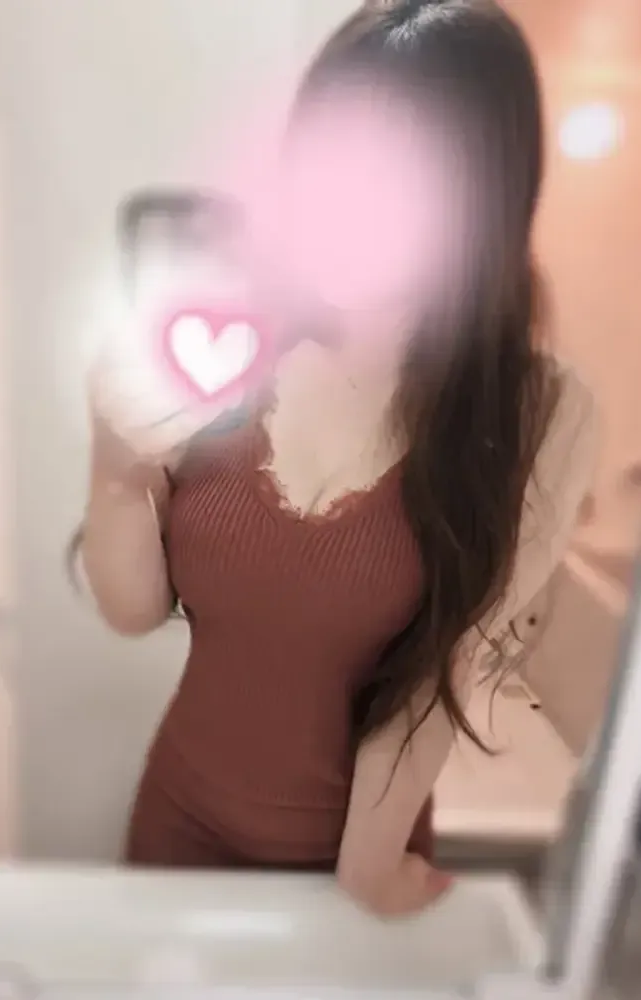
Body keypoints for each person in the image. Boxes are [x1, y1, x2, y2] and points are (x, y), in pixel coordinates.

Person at [79, 0, 597, 917]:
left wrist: (365, 873)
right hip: (178, 825)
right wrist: (117, 470)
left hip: (357, 858)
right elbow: (135, 610)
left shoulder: (536, 412)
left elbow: (448, 668)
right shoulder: (227, 338)